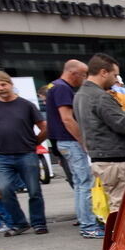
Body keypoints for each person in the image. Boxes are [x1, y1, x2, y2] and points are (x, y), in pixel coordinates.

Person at [74, 53, 125, 222]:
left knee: (115, 205)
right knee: (121, 207)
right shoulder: (100, 97)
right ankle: (119, 245)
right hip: (116, 160)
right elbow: (124, 125)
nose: (115, 80)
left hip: (101, 158)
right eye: (114, 75)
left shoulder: (80, 95)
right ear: (103, 72)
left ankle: (117, 241)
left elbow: (108, 121)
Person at [0, 70, 48, 235]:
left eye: (3, 84)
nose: (0, 88)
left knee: (34, 190)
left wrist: (35, 143)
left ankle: (38, 222)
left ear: (11, 84)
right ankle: (19, 223)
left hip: (26, 153)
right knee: (5, 189)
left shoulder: (26, 105)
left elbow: (44, 127)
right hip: (1, 156)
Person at [45, 59, 103, 238]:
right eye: (83, 74)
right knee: (85, 183)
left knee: (79, 184)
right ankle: (88, 225)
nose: (85, 79)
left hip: (63, 142)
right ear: (73, 73)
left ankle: (86, 221)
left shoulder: (53, 87)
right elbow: (67, 119)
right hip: (70, 141)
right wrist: (82, 141)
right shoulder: (63, 88)